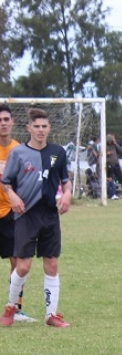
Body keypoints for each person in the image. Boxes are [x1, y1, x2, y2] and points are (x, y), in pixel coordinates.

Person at [1, 107, 71, 328]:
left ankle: (51, 315)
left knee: (52, 263)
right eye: (37, 126)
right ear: (28, 128)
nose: (41, 130)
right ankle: (11, 306)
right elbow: (5, 181)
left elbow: (65, 180)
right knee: (23, 266)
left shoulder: (58, 152)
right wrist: (12, 196)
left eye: (44, 126)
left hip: (49, 215)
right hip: (26, 214)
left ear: (49, 129)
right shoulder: (18, 153)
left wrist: (67, 194)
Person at [0, 102, 36, 322]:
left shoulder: (20, 151)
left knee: (17, 261)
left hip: (11, 214)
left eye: (6, 119)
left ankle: (15, 308)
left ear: (13, 122)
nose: (3, 124)